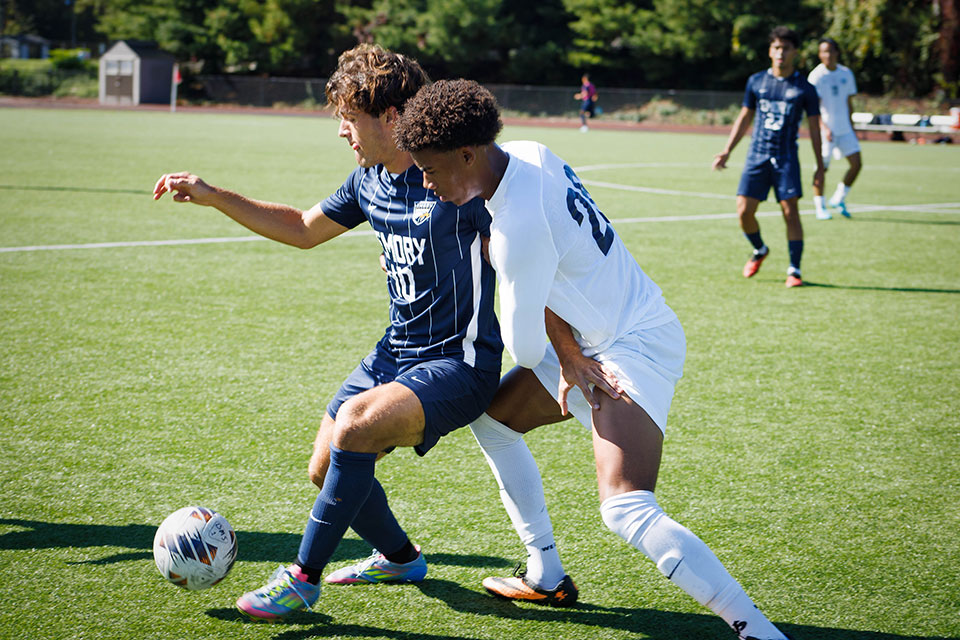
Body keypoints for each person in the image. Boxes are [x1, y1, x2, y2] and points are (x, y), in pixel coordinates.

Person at [394, 78, 791, 640]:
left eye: (430, 169)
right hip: (599, 334)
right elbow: (552, 275)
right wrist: (569, 350)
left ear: (467, 152)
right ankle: (546, 571)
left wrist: (513, 289)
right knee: (494, 420)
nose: (426, 184)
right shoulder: (530, 154)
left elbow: (524, 346)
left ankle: (759, 632)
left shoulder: (514, 231)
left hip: (634, 342)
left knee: (625, 508)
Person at [152, 44, 504, 621]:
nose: (342, 130)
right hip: (396, 350)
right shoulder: (369, 180)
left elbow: (531, 242)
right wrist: (215, 196)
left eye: (349, 117)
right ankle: (401, 557)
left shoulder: (454, 176)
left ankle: (302, 577)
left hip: (460, 363)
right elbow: (303, 229)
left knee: (356, 427)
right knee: (324, 466)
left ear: (391, 116)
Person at [713, 26, 824, 288]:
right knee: (743, 212)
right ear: (770, 51)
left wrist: (820, 166)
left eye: (786, 48)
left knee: (790, 211)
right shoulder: (756, 82)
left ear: (795, 52)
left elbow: (815, 128)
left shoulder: (805, 89)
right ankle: (760, 249)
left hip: (786, 158)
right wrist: (728, 150)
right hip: (757, 155)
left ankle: (794, 270)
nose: (780, 53)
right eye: (776, 48)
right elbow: (744, 118)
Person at [808, 37, 861, 219]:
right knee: (822, 169)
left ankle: (839, 197)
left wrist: (852, 126)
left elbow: (848, 102)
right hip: (826, 132)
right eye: (824, 51)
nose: (827, 55)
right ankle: (819, 206)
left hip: (845, 129)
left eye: (830, 51)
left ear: (837, 53)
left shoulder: (846, 73)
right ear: (819, 54)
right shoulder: (816, 76)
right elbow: (813, 108)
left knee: (856, 164)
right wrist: (824, 127)